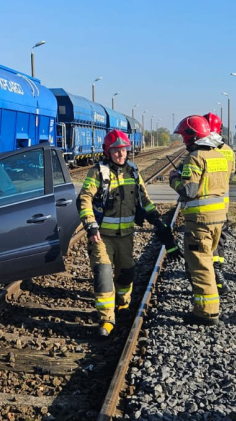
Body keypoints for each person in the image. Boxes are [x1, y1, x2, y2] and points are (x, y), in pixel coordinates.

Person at [78, 129, 180, 337]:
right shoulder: (98, 172)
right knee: (104, 274)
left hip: (126, 236)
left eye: (123, 150)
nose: (121, 154)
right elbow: (85, 198)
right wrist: (91, 225)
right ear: (108, 152)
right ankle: (106, 319)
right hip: (102, 236)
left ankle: (123, 306)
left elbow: (145, 200)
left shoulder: (133, 172)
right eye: (116, 151)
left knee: (126, 274)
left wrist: (157, 221)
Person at [169, 115, 229, 326]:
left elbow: (189, 190)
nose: (184, 142)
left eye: (185, 138)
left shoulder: (194, 158)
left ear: (191, 137)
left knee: (201, 266)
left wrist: (173, 179)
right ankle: (207, 308)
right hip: (218, 220)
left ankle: (206, 312)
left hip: (200, 222)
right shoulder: (219, 156)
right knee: (208, 262)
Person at [204, 112, 236, 295]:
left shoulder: (201, 152)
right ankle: (219, 273)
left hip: (205, 206)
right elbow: (229, 176)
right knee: (219, 240)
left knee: (205, 243)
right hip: (222, 206)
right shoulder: (228, 151)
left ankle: (211, 275)